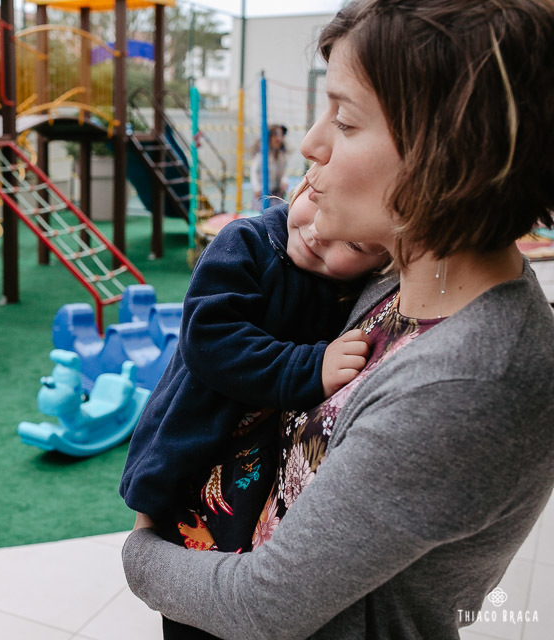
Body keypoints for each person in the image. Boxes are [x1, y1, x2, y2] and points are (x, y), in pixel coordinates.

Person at [122, 1, 554, 638]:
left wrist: (140, 550)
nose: (310, 144)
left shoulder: (468, 381)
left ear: (450, 152)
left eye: (345, 120)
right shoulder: (396, 275)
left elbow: (265, 606)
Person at [120, 177, 388, 556]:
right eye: (316, 202)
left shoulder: (351, 287)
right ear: (303, 186)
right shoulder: (245, 241)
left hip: (252, 465)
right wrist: (311, 368)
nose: (318, 232)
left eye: (353, 244)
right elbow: (210, 338)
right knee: (159, 542)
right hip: (187, 442)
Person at [249, 123, 289, 209]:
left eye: (281, 135)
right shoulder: (261, 154)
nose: (279, 139)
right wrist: (257, 188)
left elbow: (283, 171)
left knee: (278, 210)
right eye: (276, 136)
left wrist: (284, 181)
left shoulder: (281, 155)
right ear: (269, 138)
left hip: (276, 193)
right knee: (262, 211)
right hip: (262, 193)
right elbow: (254, 172)